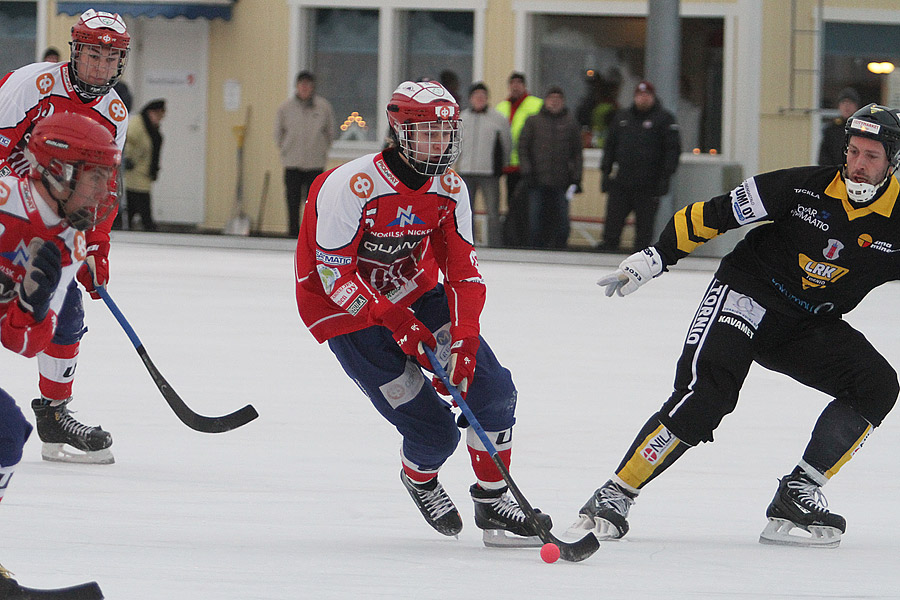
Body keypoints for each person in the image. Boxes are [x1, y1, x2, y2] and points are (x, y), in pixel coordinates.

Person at [568, 103, 900, 549]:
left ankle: (798, 490)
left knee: (877, 384)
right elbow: (716, 213)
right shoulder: (802, 187)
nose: (858, 166)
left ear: (892, 162)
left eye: (871, 157)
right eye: (854, 152)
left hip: (807, 324)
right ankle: (615, 492)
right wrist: (658, 256)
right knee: (707, 395)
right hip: (748, 294)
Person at [295, 80, 552, 547]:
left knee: (493, 391)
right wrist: (395, 322)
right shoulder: (349, 185)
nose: (441, 144)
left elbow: (464, 273)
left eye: (447, 133)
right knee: (433, 433)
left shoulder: (449, 187)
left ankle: (494, 503)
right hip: (349, 313)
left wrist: (466, 338)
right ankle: (420, 477)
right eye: (429, 134)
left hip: (414, 290)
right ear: (399, 131)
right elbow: (334, 277)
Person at [0, 9, 130, 464]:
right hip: (9, 206)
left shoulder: (115, 112)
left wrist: (96, 247)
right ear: (76, 52)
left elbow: (97, 188)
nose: (99, 67)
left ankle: (54, 414)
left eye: (109, 59)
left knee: (62, 307)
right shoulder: (32, 85)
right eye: (92, 55)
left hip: (47, 217)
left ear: (121, 63)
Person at [0, 113, 118, 595]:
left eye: (108, 177)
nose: (103, 190)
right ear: (57, 169)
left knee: (7, 430)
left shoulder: (67, 243)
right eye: (95, 176)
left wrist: (27, 308)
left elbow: (24, 344)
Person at [597, 80, 681, 253]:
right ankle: (607, 254)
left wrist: (665, 178)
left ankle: (640, 262)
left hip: (649, 183)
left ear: (653, 97)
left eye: (646, 95)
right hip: (622, 181)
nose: (643, 99)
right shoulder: (622, 117)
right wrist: (605, 173)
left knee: (644, 230)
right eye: (640, 95)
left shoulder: (664, 119)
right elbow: (610, 147)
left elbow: (672, 151)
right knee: (613, 224)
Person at [517, 85, 582, 248]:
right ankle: (534, 249)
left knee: (562, 221)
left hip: (561, 181)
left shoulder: (571, 123)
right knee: (535, 220)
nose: (554, 103)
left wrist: (576, 178)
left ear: (563, 102)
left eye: (558, 99)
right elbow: (523, 147)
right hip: (537, 180)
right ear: (545, 101)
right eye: (551, 99)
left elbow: (577, 153)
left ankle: (559, 248)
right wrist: (527, 171)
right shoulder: (533, 121)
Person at [274, 70, 335, 238]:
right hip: (292, 162)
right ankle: (293, 233)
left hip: (315, 163)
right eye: (302, 85)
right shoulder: (285, 108)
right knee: (292, 201)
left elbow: (330, 132)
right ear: (297, 86)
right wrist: (285, 149)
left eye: (308, 85)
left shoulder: (323, 107)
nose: (305, 88)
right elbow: (278, 133)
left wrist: (322, 149)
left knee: (313, 203)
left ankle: (311, 235)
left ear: (313, 87)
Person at [457, 82, 511, 247]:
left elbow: (507, 144)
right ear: (470, 99)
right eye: (476, 96)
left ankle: (495, 244)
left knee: (493, 212)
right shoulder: (462, 118)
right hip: (466, 171)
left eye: (483, 96)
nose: (479, 99)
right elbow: (455, 144)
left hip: (489, 172)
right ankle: (467, 244)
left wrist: (503, 165)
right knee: (466, 211)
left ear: (487, 98)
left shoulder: (498, 119)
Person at [495, 72, 543, 247]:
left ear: (524, 86)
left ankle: (527, 239)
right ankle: (513, 239)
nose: (515, 86)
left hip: (528, 165)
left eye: (519, 83)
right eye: (512, 83)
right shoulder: (501, 107)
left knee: (528, 205)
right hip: (509, 165)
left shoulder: (536, 104)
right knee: (511, 204)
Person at [124, 99, 166, 231]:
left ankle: (132, 225)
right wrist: (128, 158)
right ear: (150, 112)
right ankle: (147, 226)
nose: (160, 119)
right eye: (158, 115)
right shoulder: (137, 124)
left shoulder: (149, 125)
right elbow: (128, 141)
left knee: (135, 199)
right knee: (140, 198)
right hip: (134, 169)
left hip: (143, 170)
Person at [818, 87, 860, 167]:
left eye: (850, 103)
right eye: (843, 103)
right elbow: (823, 157)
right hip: (835, 172)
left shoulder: (861, 129)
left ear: (856, 106)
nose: (846, 106)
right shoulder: (831, 130)